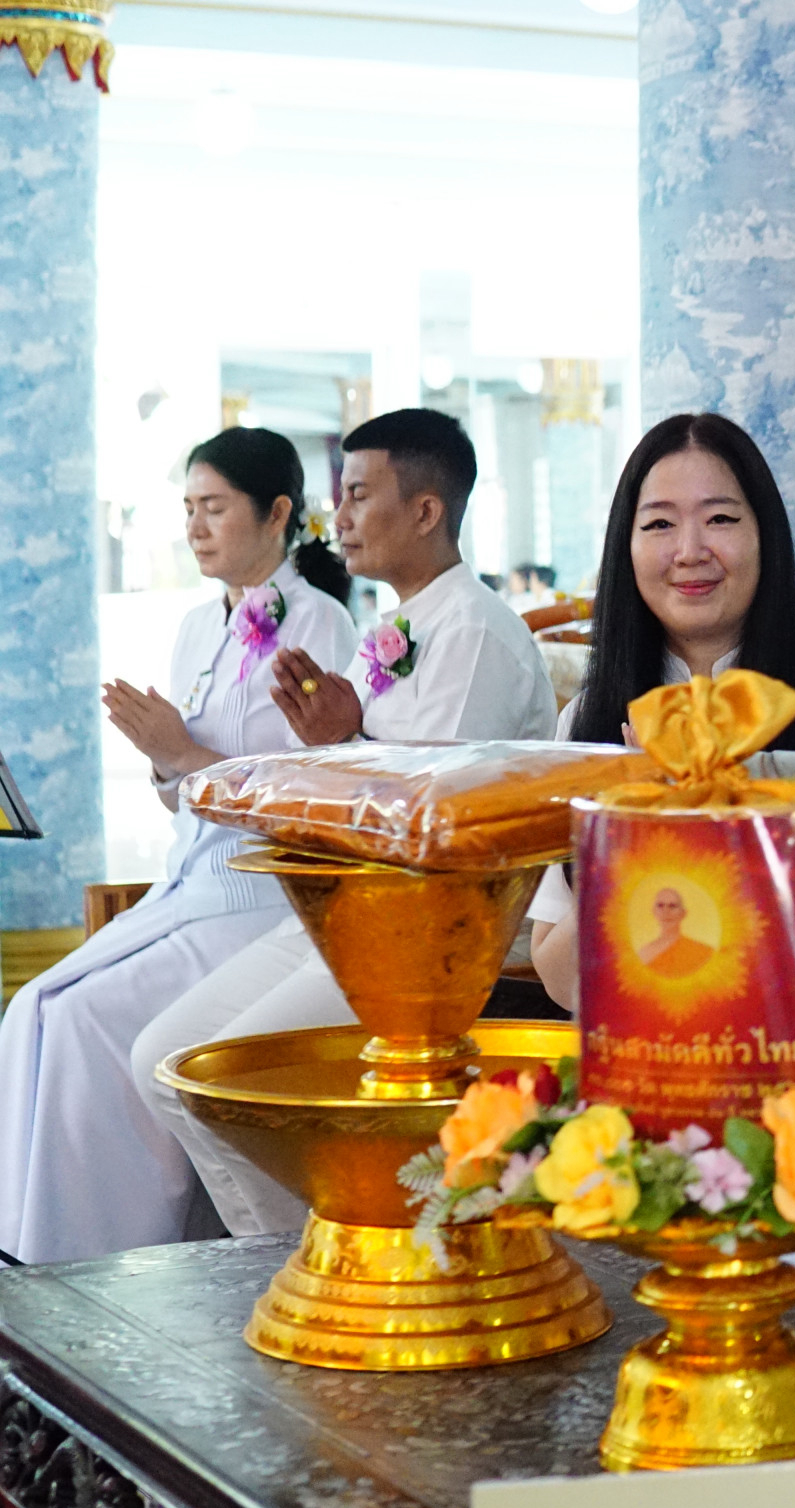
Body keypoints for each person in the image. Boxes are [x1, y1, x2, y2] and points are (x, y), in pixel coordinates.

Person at [132, 407, 558, 1235]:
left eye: (360, 495)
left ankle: (330, 1267)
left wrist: (339, 739)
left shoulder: (471, 630)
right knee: (167, 1065)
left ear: (427, 512)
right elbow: (368, 772)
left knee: (229, 1086)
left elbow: (435, 820)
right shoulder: (389, 627)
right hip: (355, 904)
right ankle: (301, 1263)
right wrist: (332, 740)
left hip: (432, 930)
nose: (342, 519)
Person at [0, 429, 355, 1261]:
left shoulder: (323, 627)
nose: (196, 527)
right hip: (189, 889)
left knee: (85, 1019)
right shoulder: (198, 626)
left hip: (262, 902)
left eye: (215, 508)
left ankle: (93, 1259)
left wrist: (183, 753)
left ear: (276, 514)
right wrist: (168, 760)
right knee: (31, 1007)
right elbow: (183, 795)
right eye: (188, 510)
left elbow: (315, 794)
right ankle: (19, 1255)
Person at [522, 411, 795, 1011]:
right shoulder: (582, 723)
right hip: (640, 1062)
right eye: (658, 524)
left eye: (721, 519)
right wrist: (635, 830)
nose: (689, 551)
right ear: (625, 547)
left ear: (765, 537)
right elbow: (562, 979)